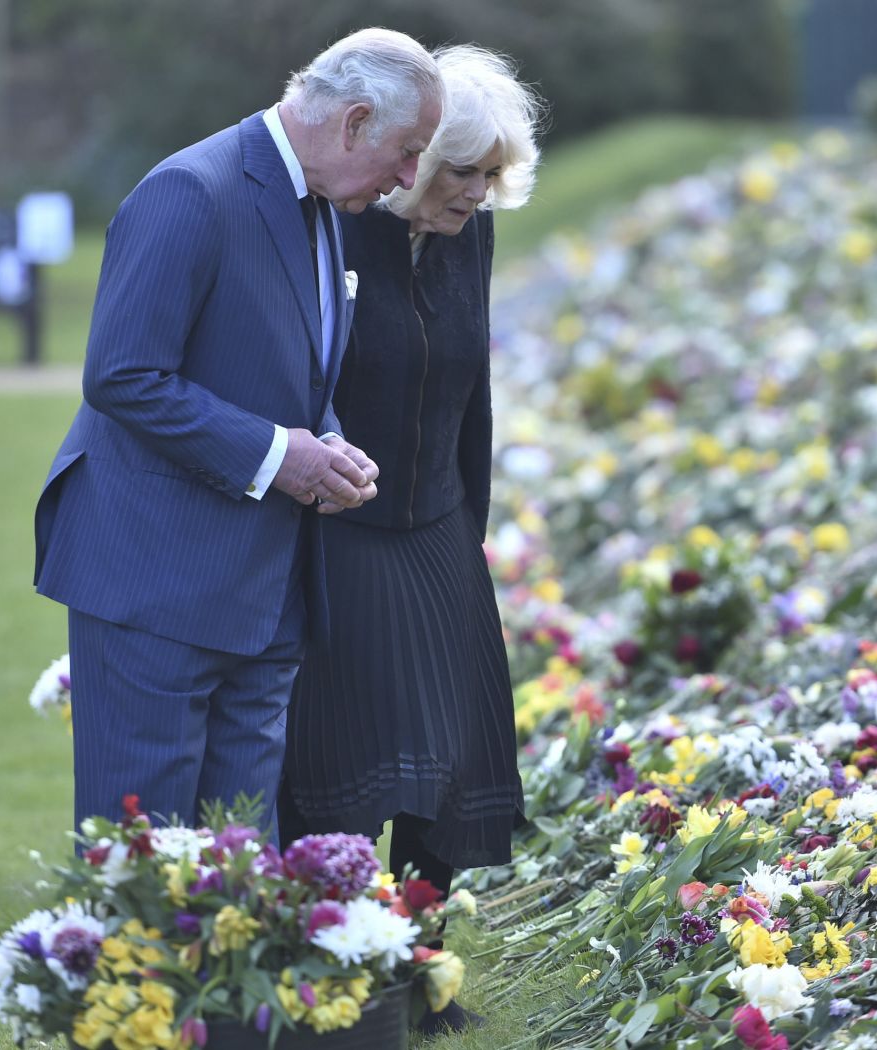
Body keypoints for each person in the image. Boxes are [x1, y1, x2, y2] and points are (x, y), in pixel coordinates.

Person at [33, 28, 444, 837]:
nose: (408, 180)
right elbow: (122, 373)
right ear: (354, 120)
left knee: (240, 873)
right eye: (407, 152)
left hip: (264, 595)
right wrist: (276, 455)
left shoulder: (324, 200)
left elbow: (286, 365)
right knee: (145, 870)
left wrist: (323, 445)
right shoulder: (191, 189)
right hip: (155, 583)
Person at [278, 44, 541, 1030]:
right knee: (342, 763)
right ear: (408, 161)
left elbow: (471, 393)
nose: (473, 193)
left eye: (488, 175)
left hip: (434, 522)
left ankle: (420, 972)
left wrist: (466, 530)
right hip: (341, 524)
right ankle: (342, 977)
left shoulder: (469, 238)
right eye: (455, 172)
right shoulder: (332, 234)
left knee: (452, 759)